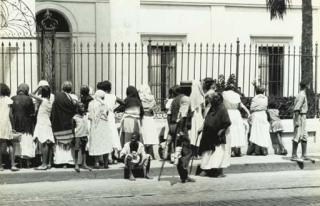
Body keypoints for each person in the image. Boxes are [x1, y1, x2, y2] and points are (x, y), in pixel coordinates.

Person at [198, 92, 231, 177]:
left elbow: (227, 122)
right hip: (209, 134)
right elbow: (207, 119)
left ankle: (216, 170)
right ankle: (205, 169)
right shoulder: (213, 108)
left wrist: (221, 130)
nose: (210, 101)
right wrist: (202, 127)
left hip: (217, 134)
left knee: (218, 152)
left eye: (212, 99)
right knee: (207, 152)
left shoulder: (222, 108)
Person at [169, 86, 194, 183]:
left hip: (174, 126)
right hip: (181, 127)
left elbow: (169, 115)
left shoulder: (174, 100)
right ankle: (183, 170)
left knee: (180, 149)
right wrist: (181, 130)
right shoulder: (185, 99)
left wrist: (171, 128)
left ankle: (184, 176)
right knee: (187, 151)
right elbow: (183, 115)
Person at [51, 81, 77, 165]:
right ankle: (69, 161)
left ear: (62, 88)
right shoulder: (73, 97)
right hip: (68, 123)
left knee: (60, 143)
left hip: (58, 123)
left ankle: (60, 161)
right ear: (71, 89)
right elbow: (74, 109)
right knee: (68, 143)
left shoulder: (57, 96)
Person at [222, 79, 250, 157]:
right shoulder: (237, 95)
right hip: (236, 114)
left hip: (228, 113)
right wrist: (248, 113)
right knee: (238, 131)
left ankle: (230, 151)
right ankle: (237, 150)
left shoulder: (224, 94)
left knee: (230, 131)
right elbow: (241, 105)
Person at [98, 81, 124, 163]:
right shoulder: (113, 96)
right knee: (112, 134)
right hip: (111, 116)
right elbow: (123, 103)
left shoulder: (101, 96)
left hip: (103, 116)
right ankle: (112, 156)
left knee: (104, 135)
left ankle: (104, 157)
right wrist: (115, 109)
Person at [11, 83, 36, 167]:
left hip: (15, 122)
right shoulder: (29, 99)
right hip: (27, 124)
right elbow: (32, 113)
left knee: (17, 142)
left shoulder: (13, 98)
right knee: (27, 141)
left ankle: (18, 161)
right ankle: (28, 162)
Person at [88, 90, 113, 169]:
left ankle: (97, 162)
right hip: (104, 125)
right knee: (105, 142)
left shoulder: (91, 103)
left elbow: (90, 116)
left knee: (96, 142)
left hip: (95, 125)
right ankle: (105, 163)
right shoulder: (105, 104)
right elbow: (107, 114)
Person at [31, 86, 55, 170]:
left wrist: (38, 88)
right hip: (46, 122)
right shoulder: (49, 101)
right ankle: (47, 163)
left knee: (44, 143)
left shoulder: (43, 100)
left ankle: (44, 164)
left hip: (42, 123)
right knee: (47, 143)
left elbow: (31, 94)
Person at [0, 83, 19, 171]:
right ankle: (12, 164)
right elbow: (11, 115)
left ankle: (0, 166)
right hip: (6, 123)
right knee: (10, 143)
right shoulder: (8, 100)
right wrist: (13, 126)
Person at [248, 85, 272, 156]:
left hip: (257, 115)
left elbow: (252, 108)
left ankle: (257, 150)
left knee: (256, 132)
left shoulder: (255, 98)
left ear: (256, 91)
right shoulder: (265, 98)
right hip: (263, 115)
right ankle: (264, 150)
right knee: (263, 132)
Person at [139, 84, 158, 159]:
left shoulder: (140, 99)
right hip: (150, 118)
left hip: (143, 118)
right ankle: (151, 154)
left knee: (144, 135)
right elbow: (155, 109)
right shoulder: (152, 99)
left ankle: (145, 153)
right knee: (150, 135)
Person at [291, 82, 309, 161]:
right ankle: (294, 155)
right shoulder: (302, 95)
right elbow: (297, 108)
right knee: (297, 135)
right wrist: (297, 121)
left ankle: (304, 155)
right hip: (300, 116)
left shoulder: (301, 94)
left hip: (303, 116)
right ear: (306, 86)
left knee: (304, 135)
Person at [73, 102, 91, 172]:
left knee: (84, 149)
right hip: (77, 135)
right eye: (81, 107)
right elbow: (72, 128)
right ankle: (76, 164)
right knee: (77, 149)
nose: (83, 108)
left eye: (83, 106)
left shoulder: (85, 116)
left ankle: (84, 163)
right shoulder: (75, 117)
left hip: (84, 134)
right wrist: (73, 137)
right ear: (77, 108)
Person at [188, 80, 205, 158]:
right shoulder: (201, 96)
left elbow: (191, 109)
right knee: (199, 135)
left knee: (193, 135)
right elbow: (203, 108)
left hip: (194, 117)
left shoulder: (191, 96)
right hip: (200, 117)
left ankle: (193, 154)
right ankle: (199, 153)